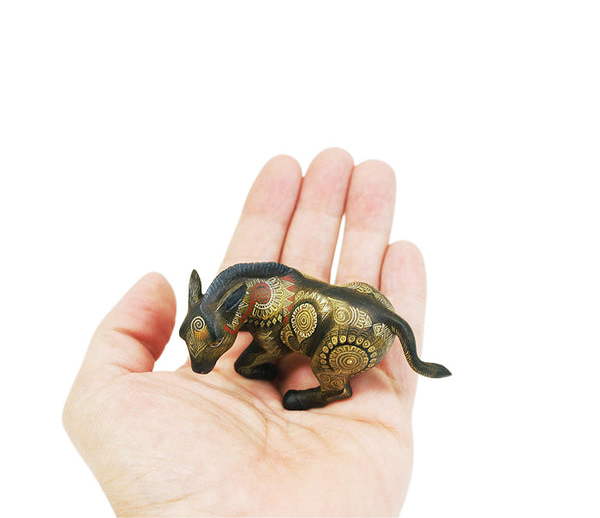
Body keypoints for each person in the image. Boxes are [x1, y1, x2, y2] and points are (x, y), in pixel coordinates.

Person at [63, 148, 429, 516]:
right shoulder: (257, 296)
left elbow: (270, 347)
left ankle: (332, 389)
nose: (202, 362)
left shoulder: (266, 309)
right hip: (372, 305)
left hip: (363, 337)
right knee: (351, 298)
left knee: (311, 357)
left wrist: (250, 363)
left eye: (213, 345)